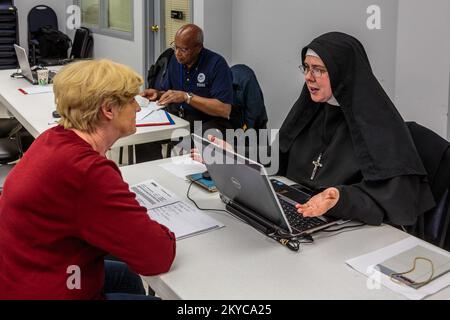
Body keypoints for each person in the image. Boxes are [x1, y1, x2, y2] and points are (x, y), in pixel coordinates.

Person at [200, 32, 435, 227]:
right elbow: (279, 153)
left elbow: (391, 201)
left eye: (319, 70)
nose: (308, 77)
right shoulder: (311, 110)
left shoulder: (377, 126)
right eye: (306, 68)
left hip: (348, 233)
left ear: (342, 72)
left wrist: (340, 198)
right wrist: (233, 151)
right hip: (301, 217)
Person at [0, 59, 176, 300]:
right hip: (45, 287)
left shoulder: (52, 137)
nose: (137, 108)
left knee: (127, 275)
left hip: (24, 272)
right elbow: (158, 257)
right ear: (108, 109)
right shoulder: (86, 171)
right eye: (132, 100)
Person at [136, 23, 235, 162]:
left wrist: (187, 97)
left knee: (201, 145)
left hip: (207, 121)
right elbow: (171, 91)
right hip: (179, 117)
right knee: (146, 135)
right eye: (175, 47)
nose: (177, 53)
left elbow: (224, 109)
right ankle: (151, 176)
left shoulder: (216, 64)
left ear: (198, 48)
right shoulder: (175, 61)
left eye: (183, 49)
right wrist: (158, 94)